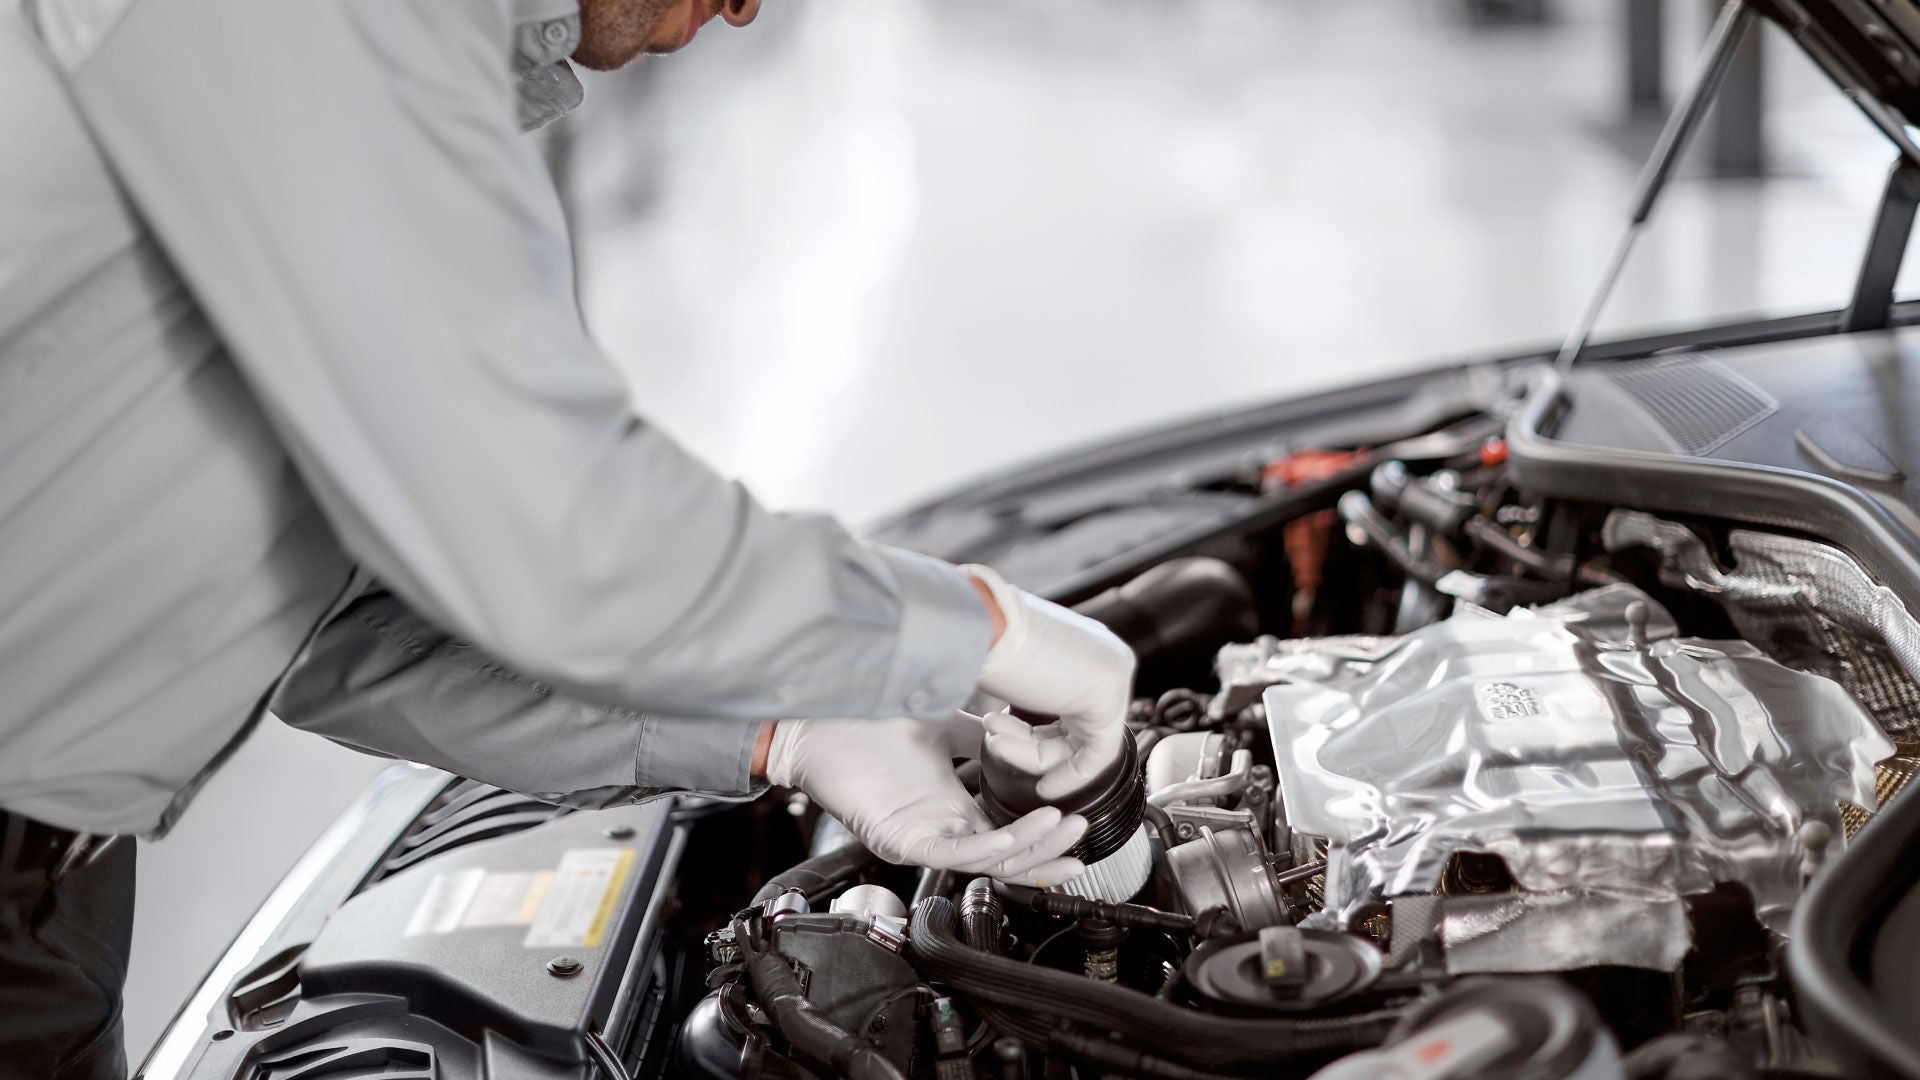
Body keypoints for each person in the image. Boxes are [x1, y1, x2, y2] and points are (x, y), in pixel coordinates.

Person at [0, 0, 1136, 1075]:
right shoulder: (318, 28)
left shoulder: (405, 77)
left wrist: (786, 724)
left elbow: (338, 620)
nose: (747, 10)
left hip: (52, 882)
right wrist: (968, 628)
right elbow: (554, 528)